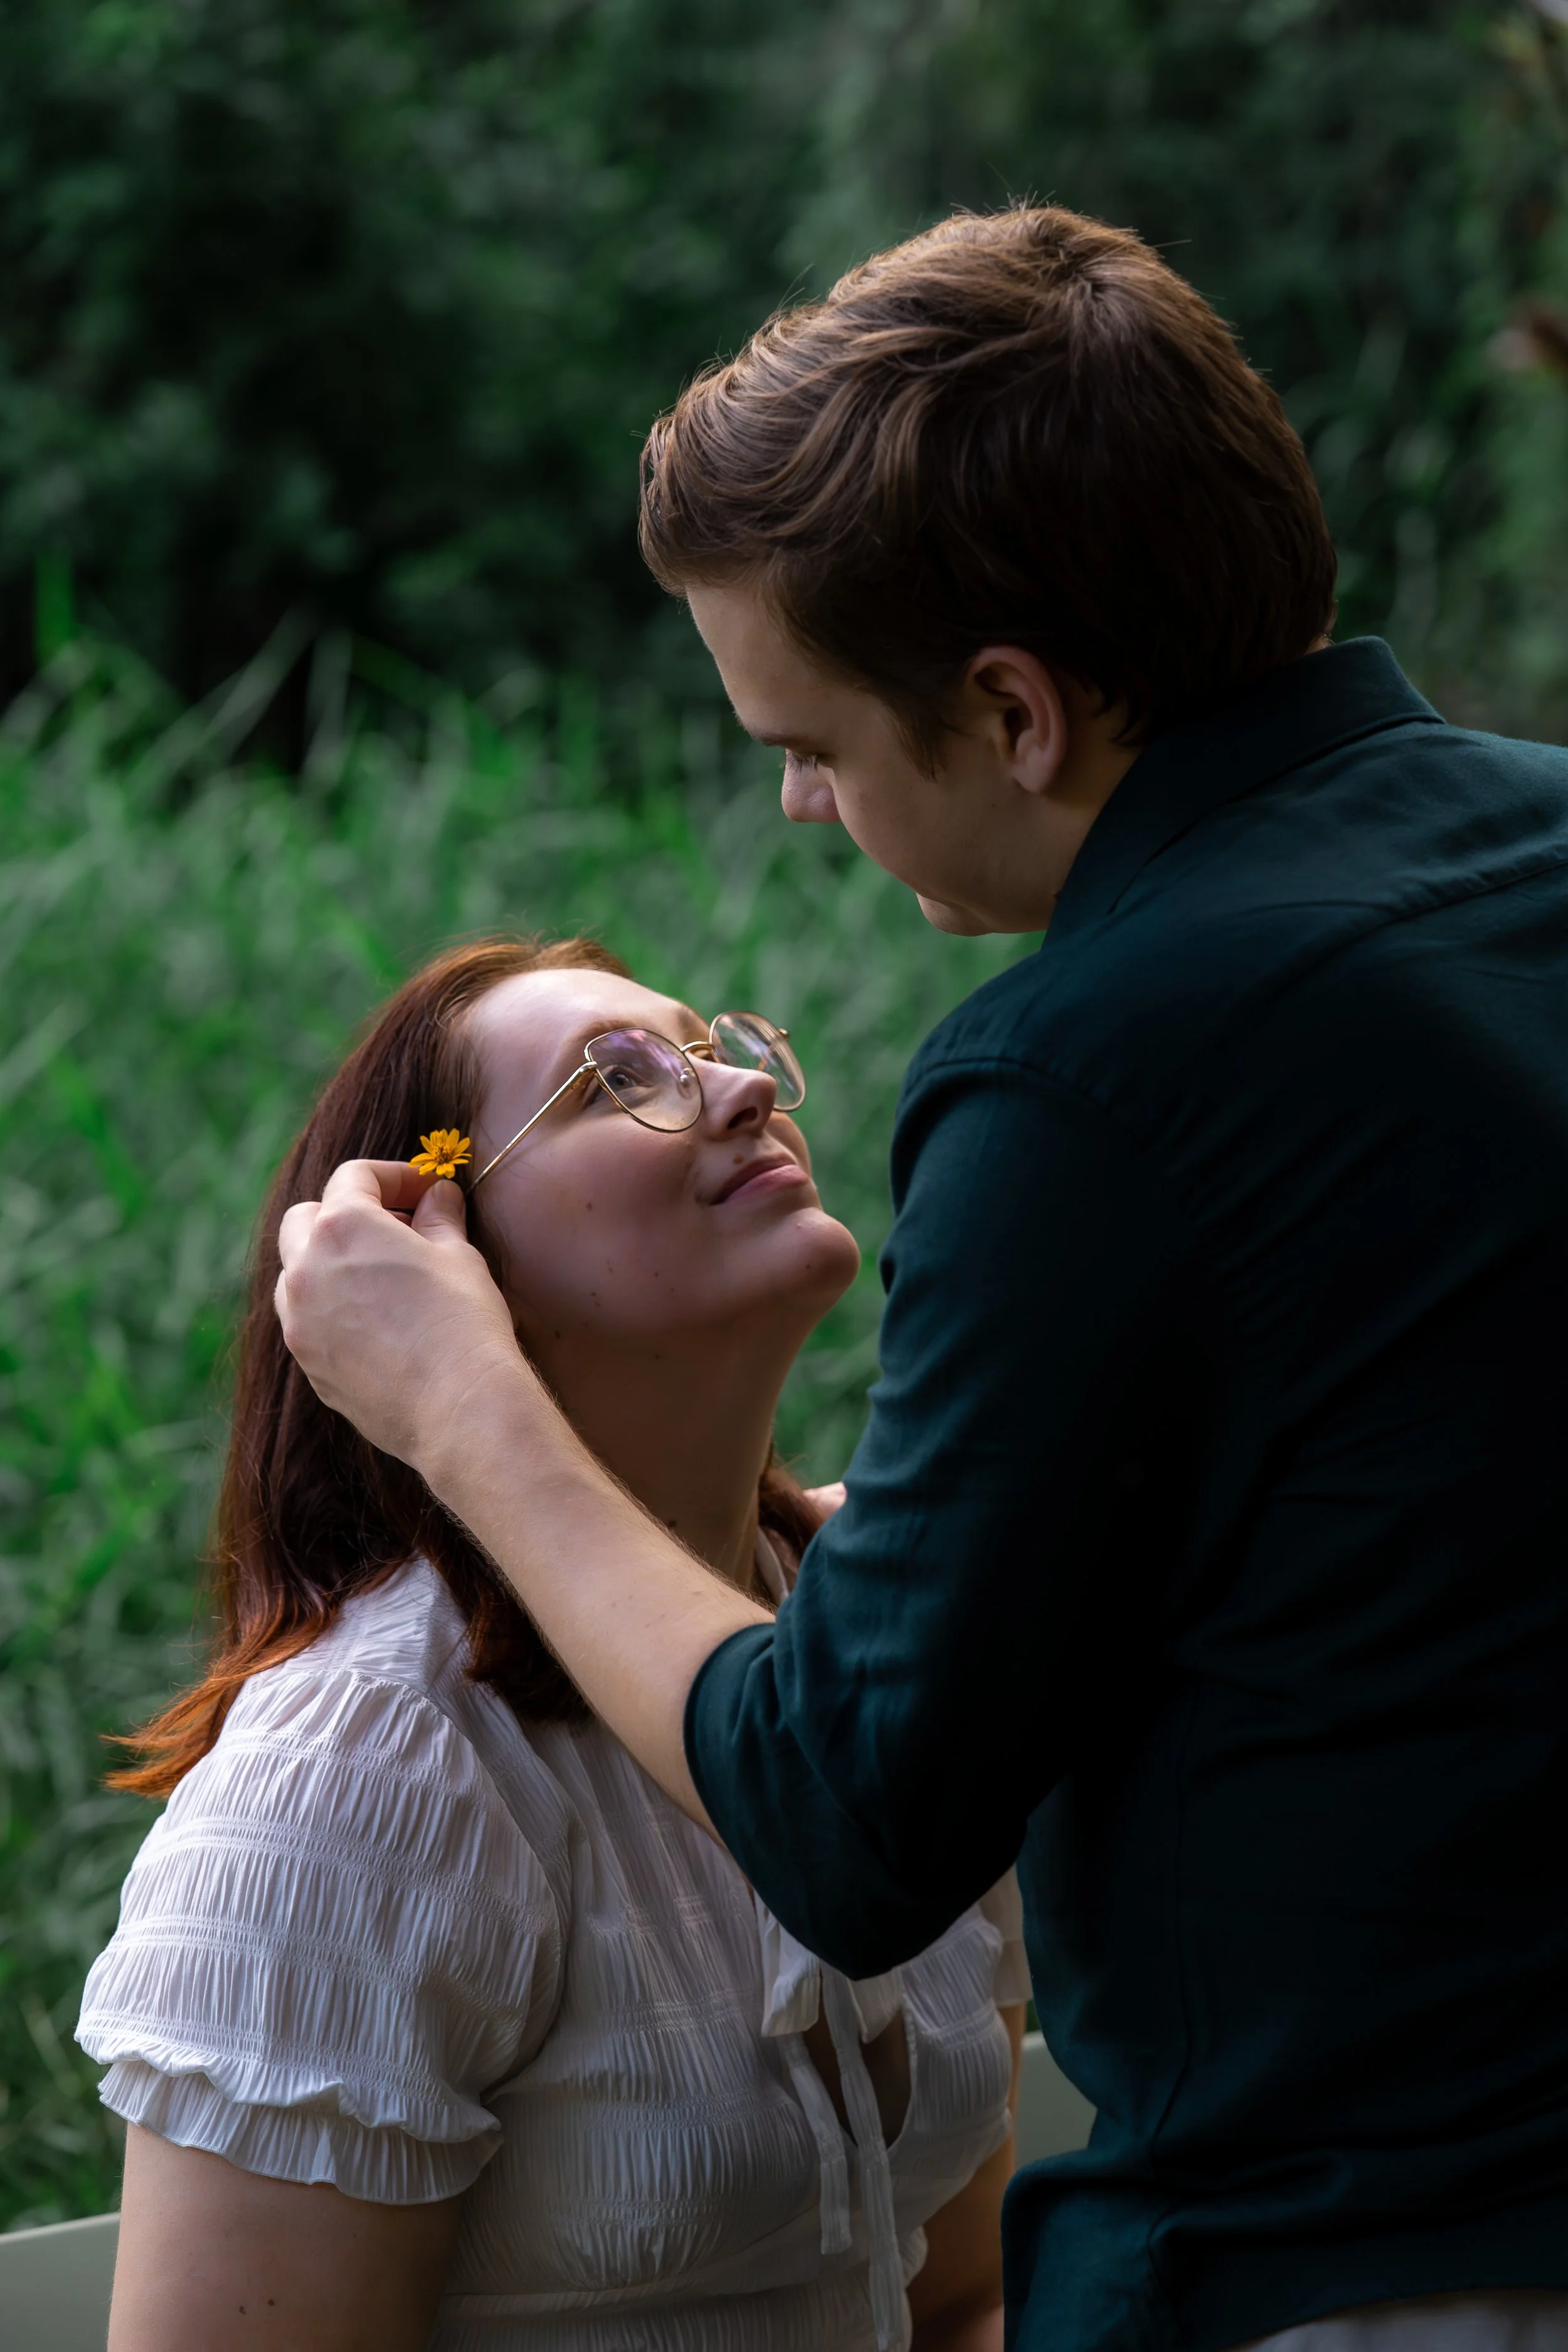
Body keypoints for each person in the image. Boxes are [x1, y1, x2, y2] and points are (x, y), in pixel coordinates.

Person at [272, 206, 1568, 2352]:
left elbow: (861, 1821)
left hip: (1380, 2268)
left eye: (815, 742)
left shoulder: (1101, 1062)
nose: (798, 807)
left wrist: (466, 1414)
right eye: (603, 1076)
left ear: (1011, 710)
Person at [78, 937, 1032, 2352]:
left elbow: (959, 2300)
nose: (732, 1089)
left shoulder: (870, 1629)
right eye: (613, 1082)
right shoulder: (371, 1773)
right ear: (442, 1269)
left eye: (711, 1043)